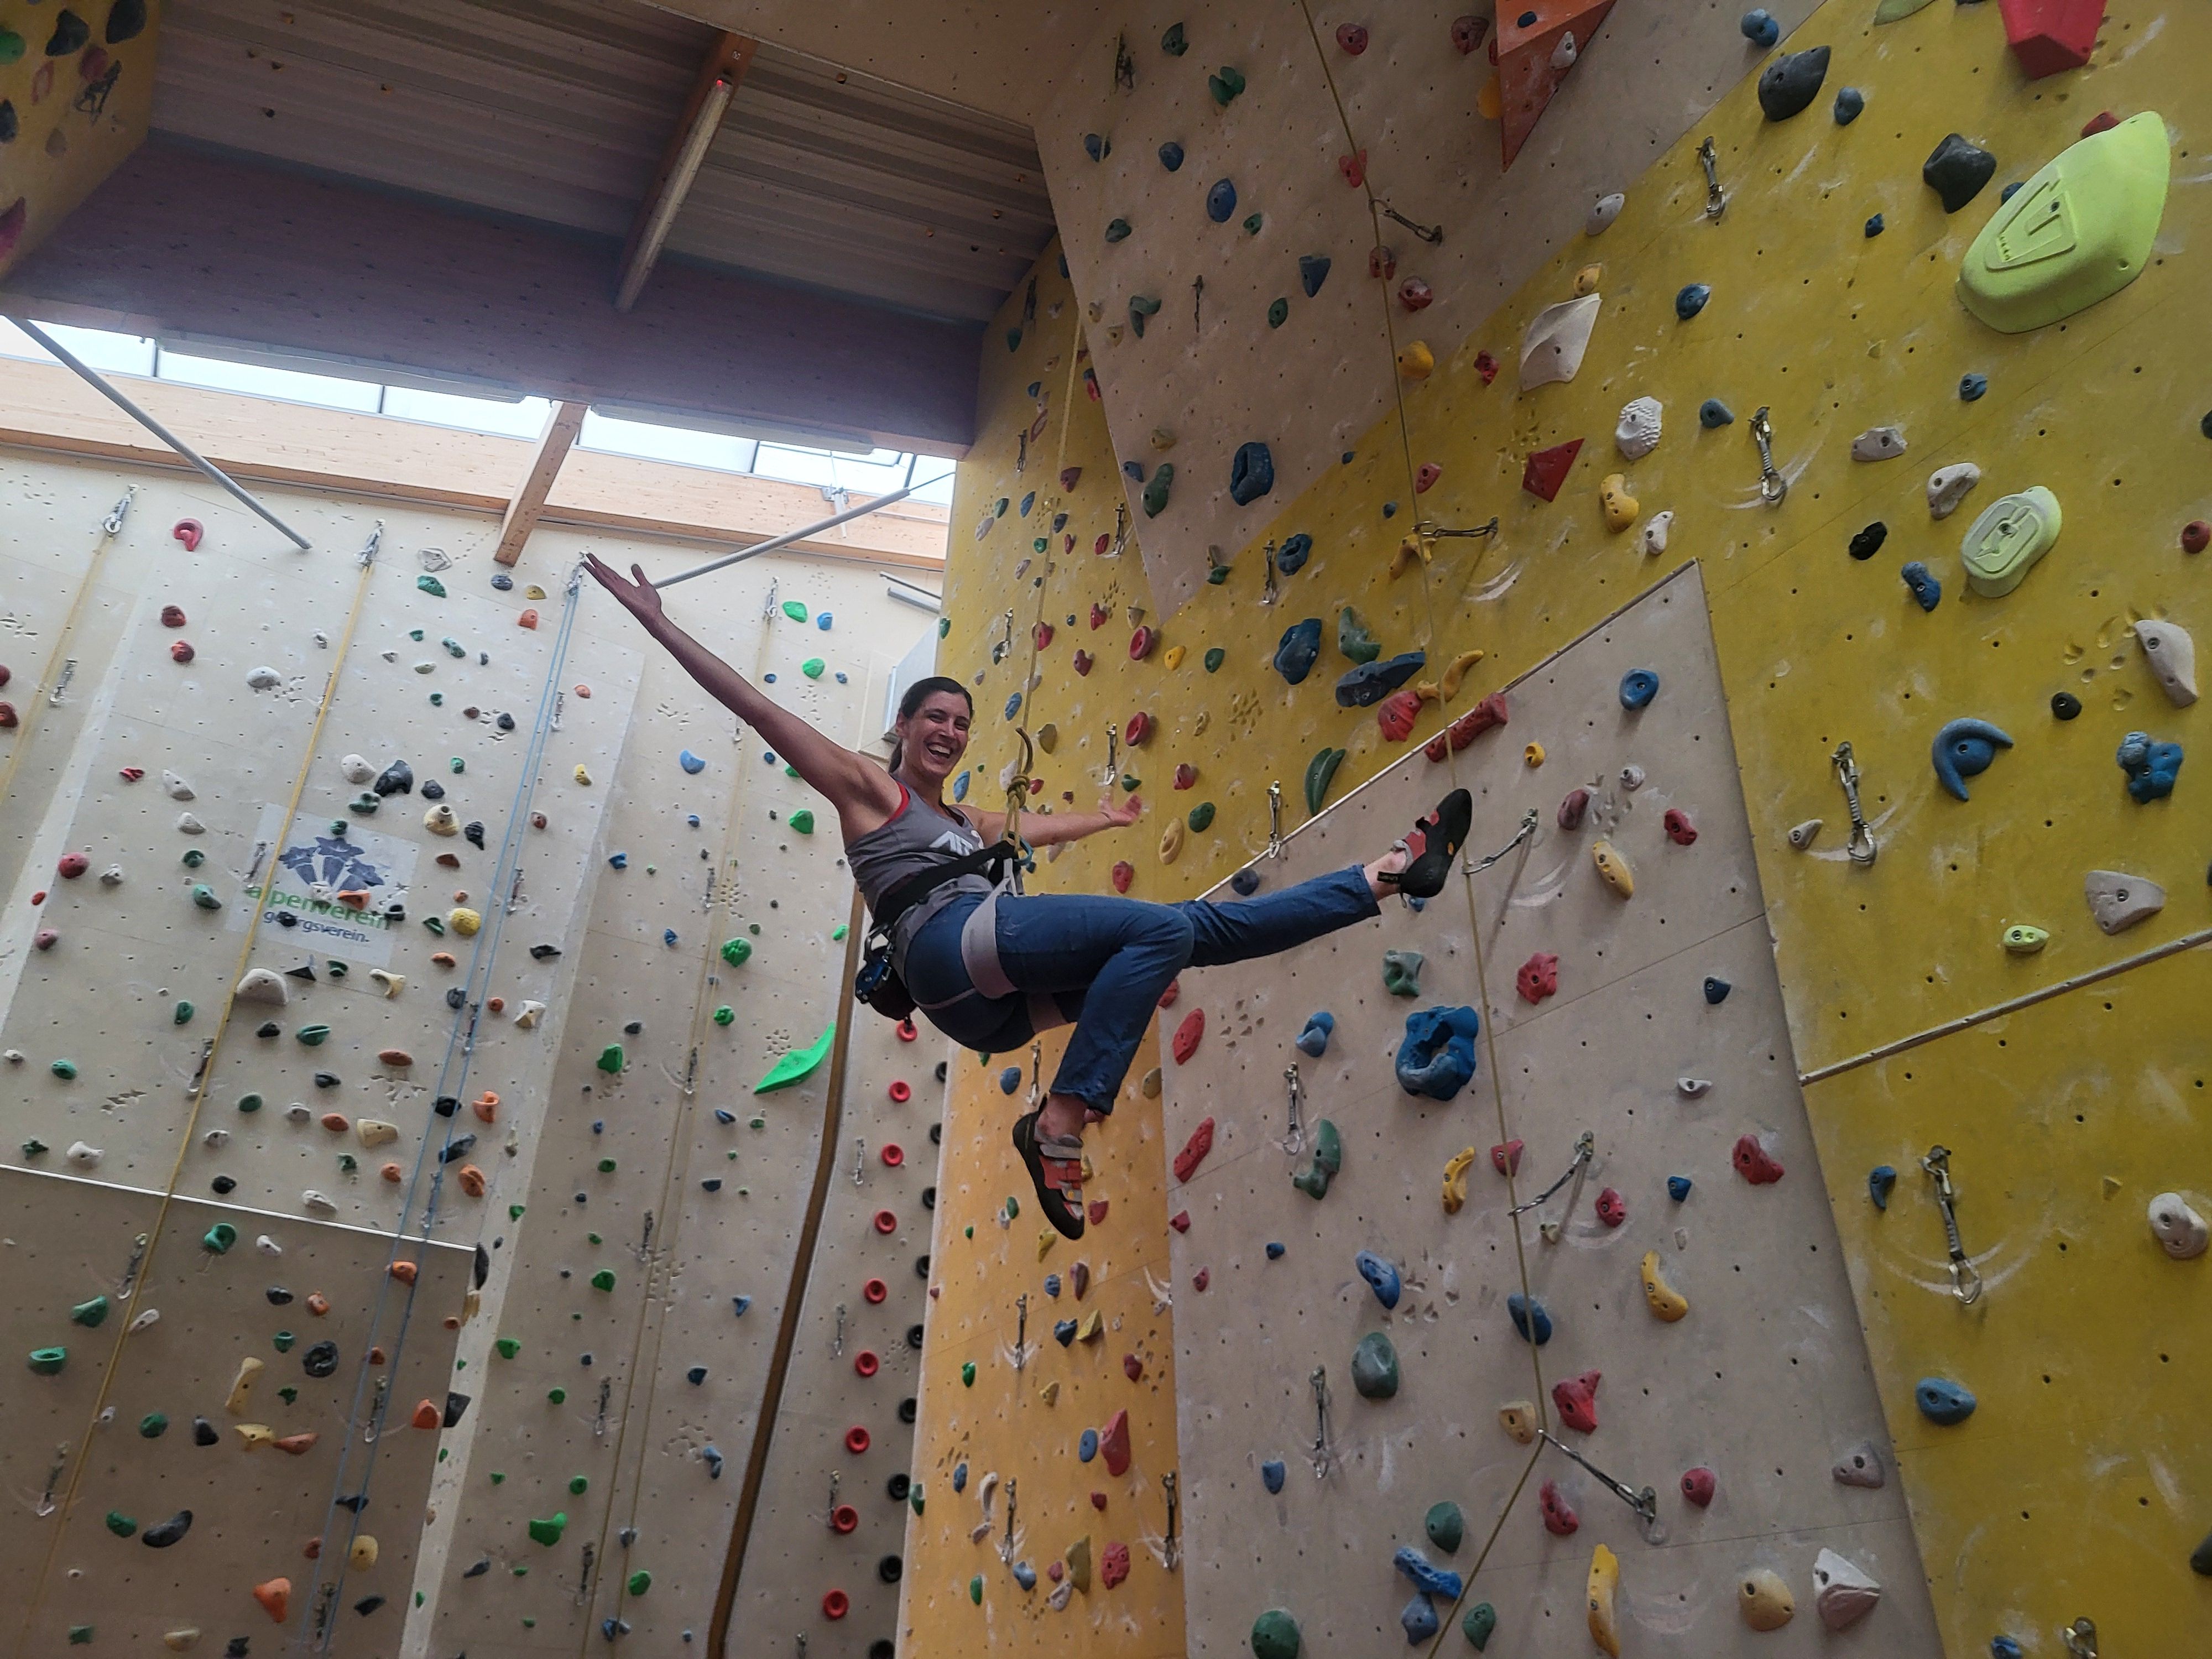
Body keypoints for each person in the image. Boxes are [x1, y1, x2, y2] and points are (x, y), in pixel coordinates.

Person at [584, 555, 1473, 1239]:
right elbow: (760, 711)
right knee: (1162, 932)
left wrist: (1105, 818)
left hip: (992, 1014)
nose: (949, 731)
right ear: (903, 727)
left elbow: (1035, 827)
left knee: (1190, 933)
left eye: (961, 724)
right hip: (947, 952)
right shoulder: (869, 790)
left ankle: (1385, 875)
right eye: (935, 718)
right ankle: (1062, 1118)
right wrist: (660, 624)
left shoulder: (967, 819)